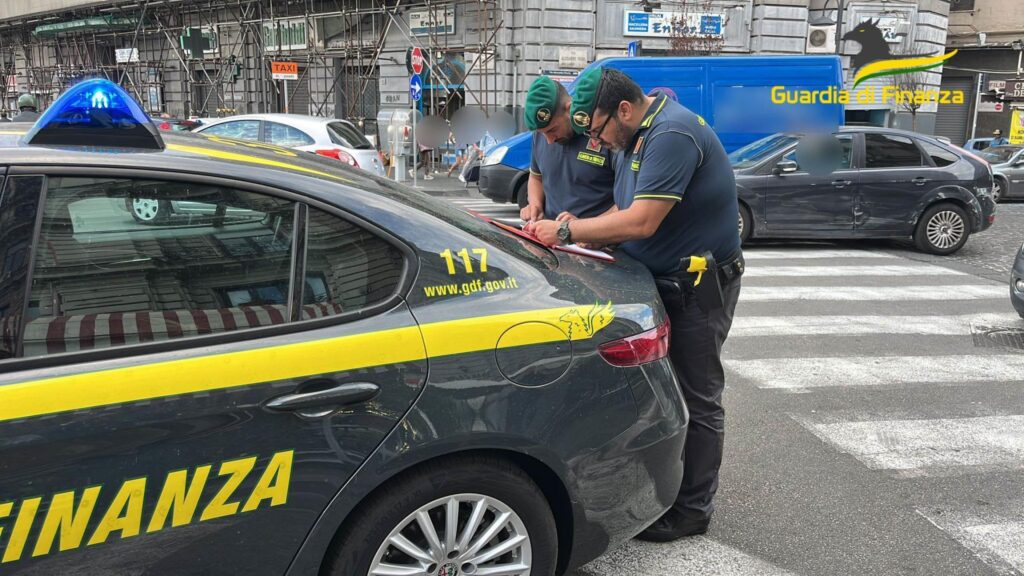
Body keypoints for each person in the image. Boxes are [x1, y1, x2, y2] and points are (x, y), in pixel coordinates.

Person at [526, 67, 743, 541]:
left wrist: (566, 230)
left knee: (698, 397)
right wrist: (583, 229)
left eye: (598, 131)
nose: (596, 143)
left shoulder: (670, 135)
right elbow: (622, 207)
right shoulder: (636, 134)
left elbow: (642, 221)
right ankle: (669, 485)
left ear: (623, 110)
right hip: (663, 281)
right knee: (668, 391)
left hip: (697, 287)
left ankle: (693, 511)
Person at [520, 76, 616, 223]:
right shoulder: (540, 136)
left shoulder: (603, 134)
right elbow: (536, 177)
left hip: (597, 236)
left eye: (553, 130)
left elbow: (625, 202)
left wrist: (582, 228)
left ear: (569, 109)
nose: (549, 140)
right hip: (552, 234)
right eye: (542, 133)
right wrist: (535, 204)